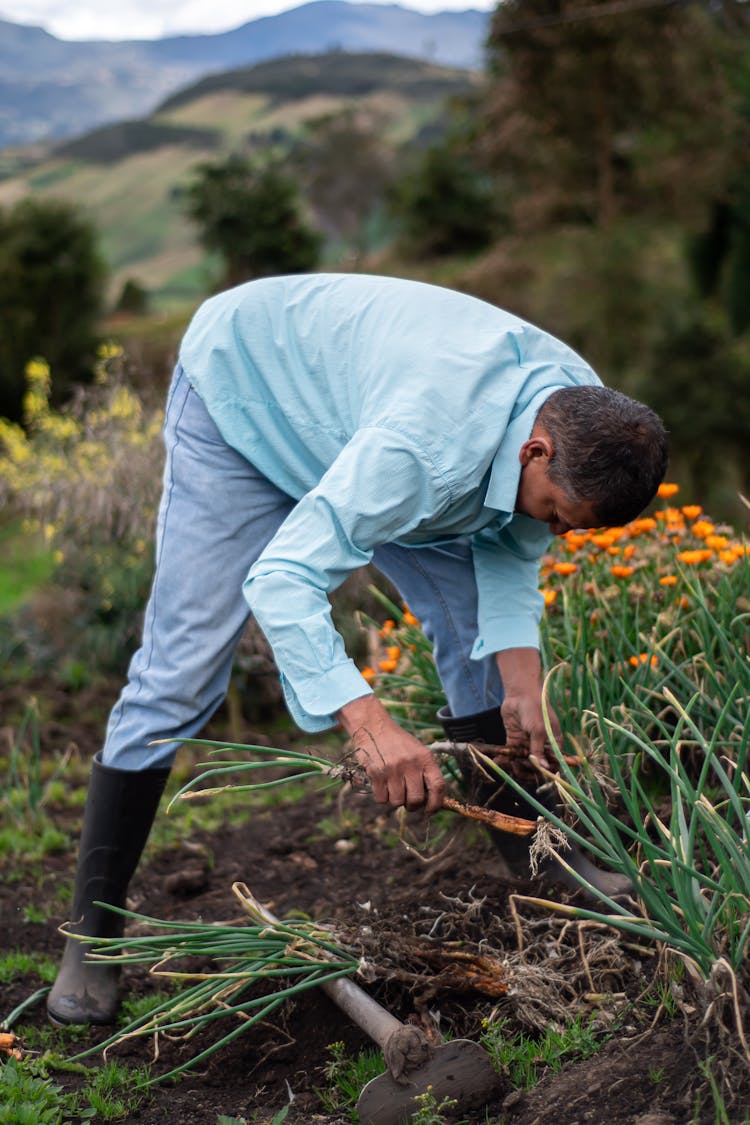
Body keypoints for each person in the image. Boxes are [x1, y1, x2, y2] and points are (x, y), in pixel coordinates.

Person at [47, 273, 668, 1026]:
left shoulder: (587, 417)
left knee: (477, 633)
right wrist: (371, 724)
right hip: (246, 398)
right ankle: (93, 937)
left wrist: (522, 673)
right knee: (180, 671)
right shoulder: (423, 452)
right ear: (536, 450)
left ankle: (543, 871)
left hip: (363, 419)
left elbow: (514, 537)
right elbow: (281, 579)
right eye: (559, 514)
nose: (560, 532)